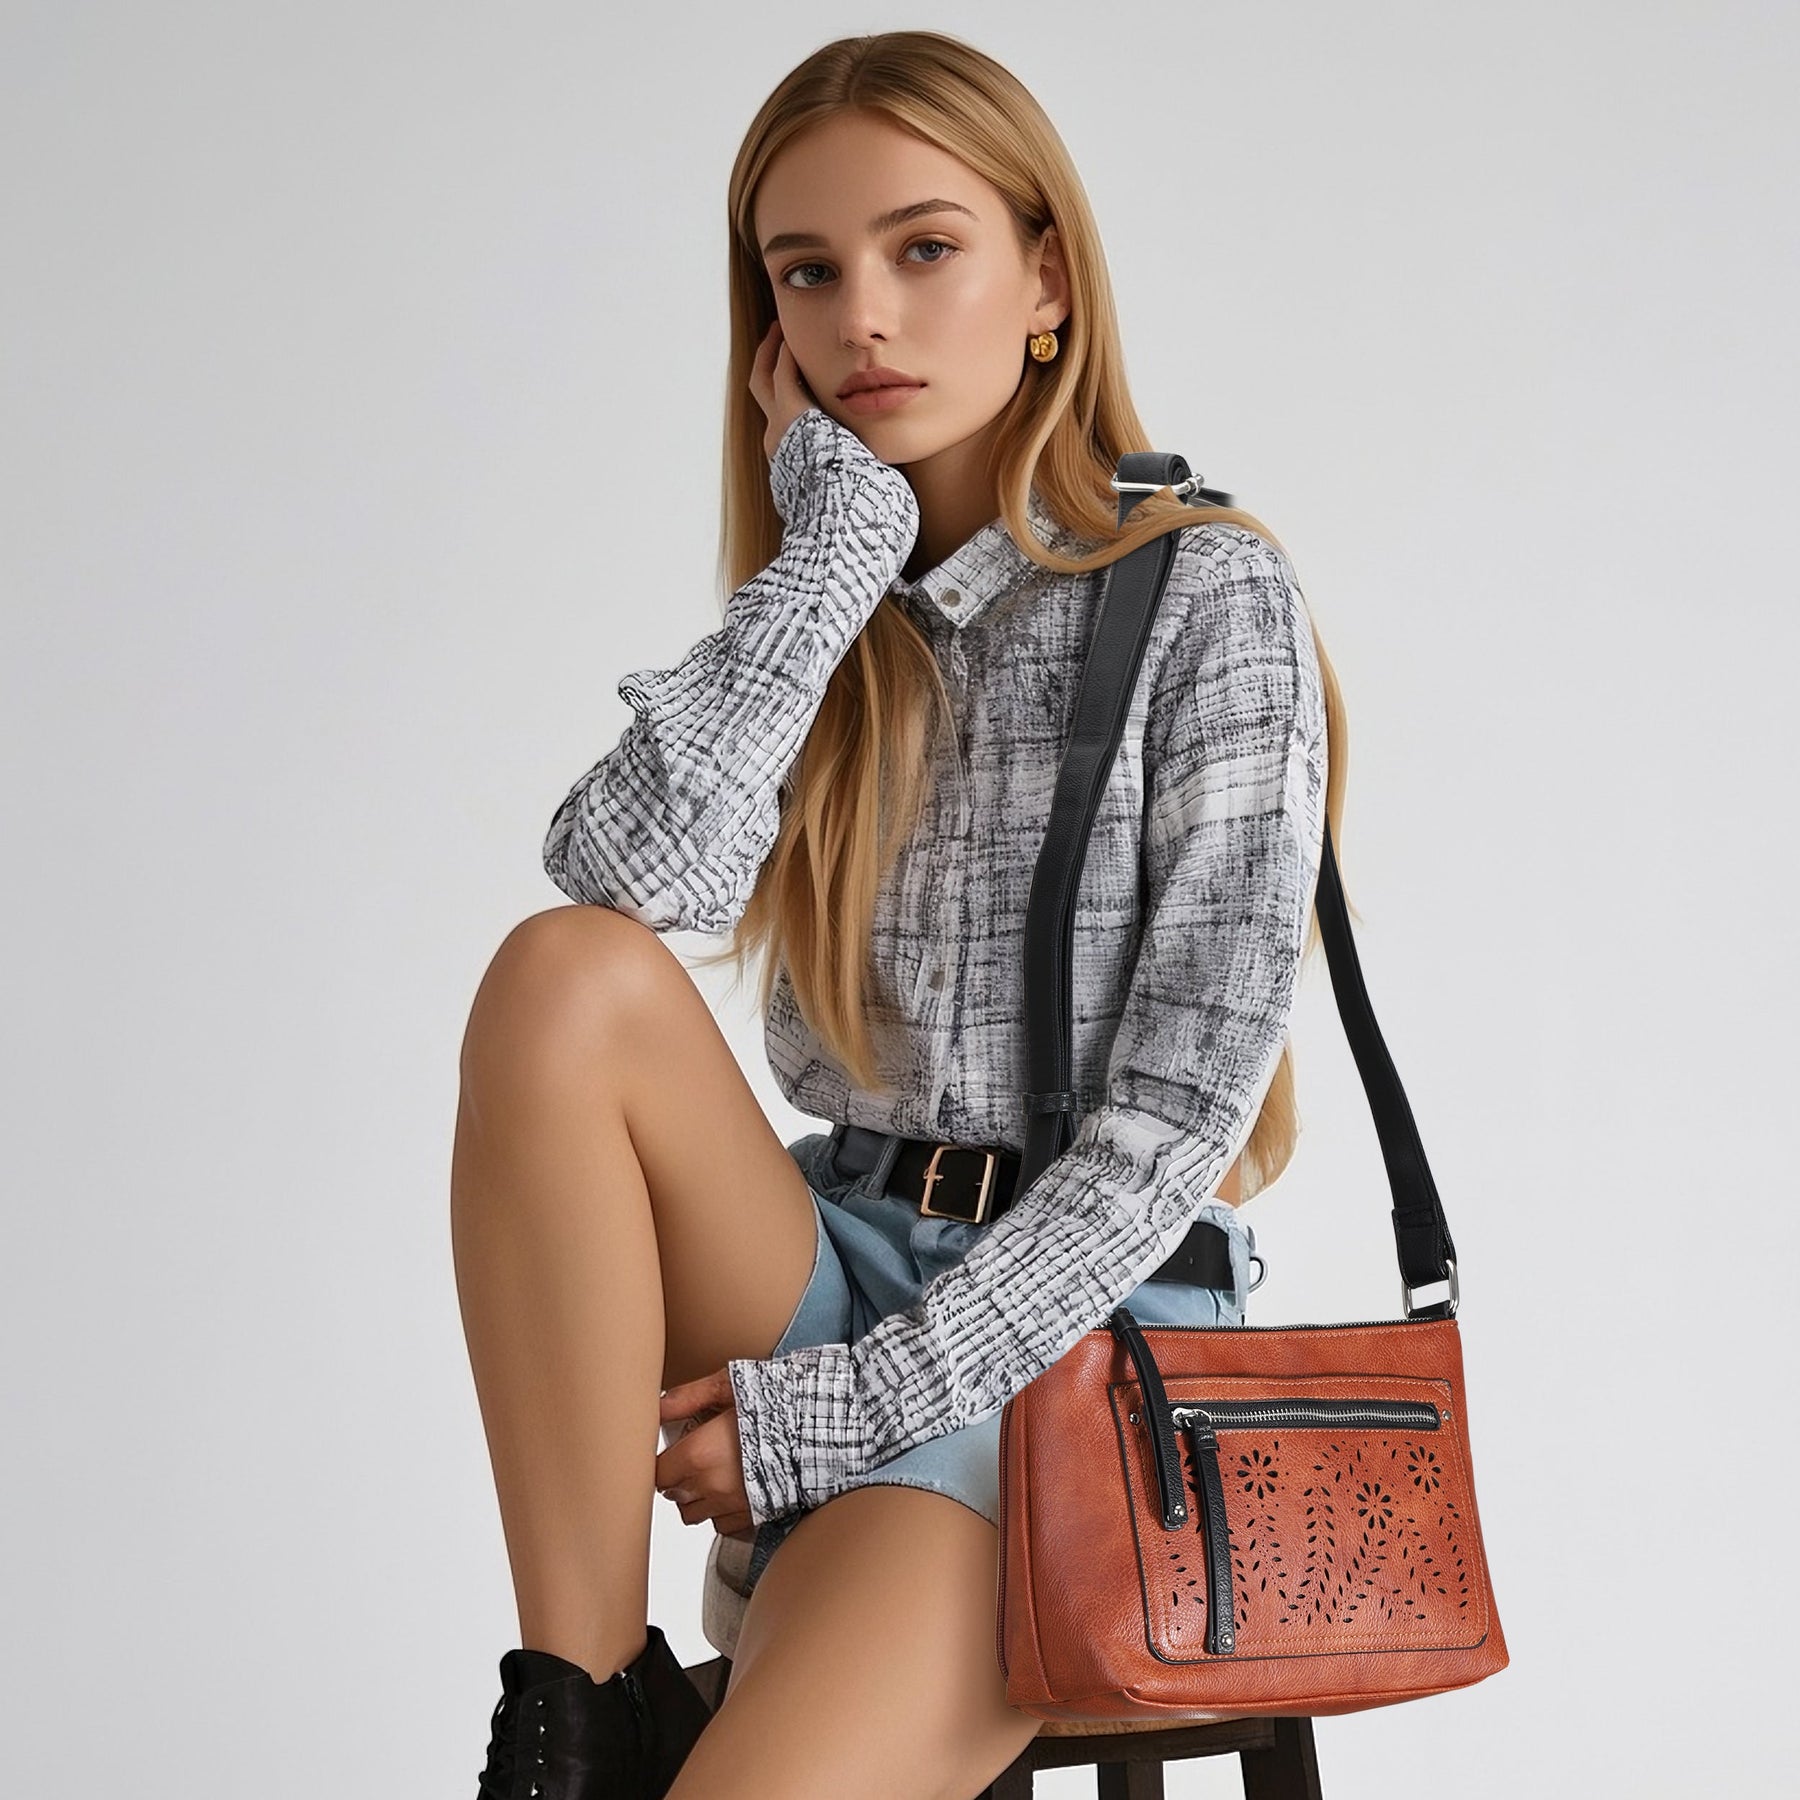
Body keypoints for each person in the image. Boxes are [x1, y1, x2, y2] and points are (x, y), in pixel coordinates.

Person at [454, 28, 1344, 1800]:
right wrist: (829, 560)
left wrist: (840, 1416)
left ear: (1046, 280)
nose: (862, 316)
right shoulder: (833, 610)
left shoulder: (1208, 595)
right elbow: (622, 892)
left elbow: (1169, 1137)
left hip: (1075, 1357)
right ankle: (585, 1700)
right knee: (564, 979)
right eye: (807, 272)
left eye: (923, 249)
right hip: (827, 1260)